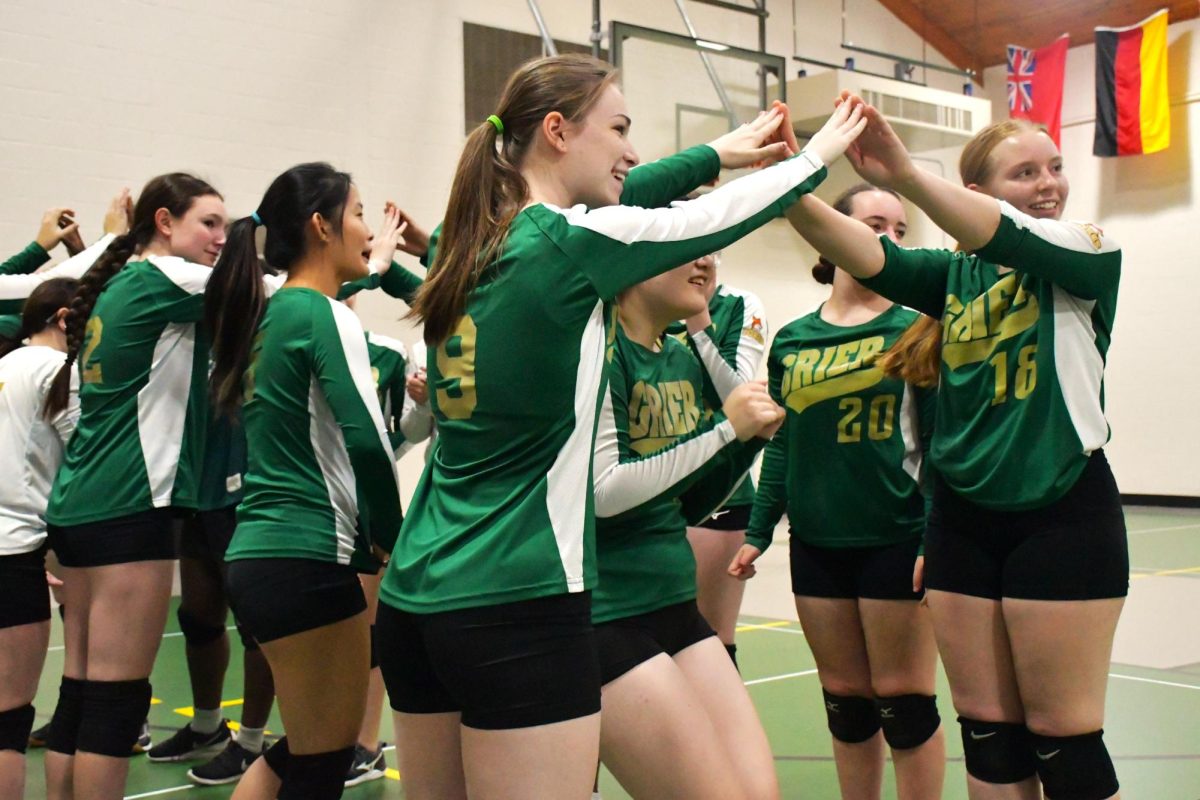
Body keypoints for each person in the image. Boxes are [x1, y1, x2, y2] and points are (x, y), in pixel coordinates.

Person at [373, 52, 866, 800]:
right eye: (622, 128)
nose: (634, 151)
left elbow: (626, 189)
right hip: (518, 595)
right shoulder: (565, 245)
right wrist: (821, 151)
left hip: (415, 599)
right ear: (559, 132)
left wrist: (718, 153)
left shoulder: (466, 246)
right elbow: (713, 215)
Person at [785, 101, 1126, 800]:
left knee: (1064, 741)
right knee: (989, 737)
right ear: (977, 192)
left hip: (1061, 510)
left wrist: (905, 173)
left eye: (1055, 167)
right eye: (1025, 172)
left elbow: (1012, 236)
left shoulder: (1083, 252)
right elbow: (867, 255)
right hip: (963, 522)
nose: (1050, 184)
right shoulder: (952, 279)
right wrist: (790, 180)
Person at [730, 183, 945, 799]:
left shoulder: (918, 329)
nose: (890, 240)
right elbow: (785, 442)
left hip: (896, 540)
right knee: (846, 705)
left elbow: (935, 451)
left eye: (903, 231)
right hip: (817, 543)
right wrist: (758, 530)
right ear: (832, 231)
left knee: (905, 708)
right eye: (877, 223)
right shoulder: (794, 339)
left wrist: (935, 536)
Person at [205, 162, 405, 800]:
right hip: (305, 555)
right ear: (321, 226)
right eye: (357, 214)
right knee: (323, 760)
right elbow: (369, 443)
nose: (368, 231)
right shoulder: (322, 314)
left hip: (264, 555)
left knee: (304, 750)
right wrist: (391, 542)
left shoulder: (271, 314)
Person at [40, 173, 229, 800]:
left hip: (81, 504)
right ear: (164, 222)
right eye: (209, 223)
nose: (220, 238)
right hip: (128, 505)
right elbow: (274, 290)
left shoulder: (122, 283)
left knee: (82, 691)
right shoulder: (165, 278)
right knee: (116, 702)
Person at [590, 256, 783, 800]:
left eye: (712, 246)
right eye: (688, 245)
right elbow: (604, 495)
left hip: (674, 602)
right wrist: (727, 435)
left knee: (759, 792)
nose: (707, 259)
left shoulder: (675, 354)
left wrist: (750, 441)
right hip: (606, 612)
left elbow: (690, 502)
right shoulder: (599, 352)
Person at [0, 278, 79, 800]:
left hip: (15, 546)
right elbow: (88, 459)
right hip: (14, 552)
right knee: (8, 721)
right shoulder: (55, 370)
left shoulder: (4, 365)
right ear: (66, 319)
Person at [675, 250, 768, 668]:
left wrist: (699, 321)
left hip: (719, 493)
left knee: (709, 639)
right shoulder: (635, 299)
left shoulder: (739, 305)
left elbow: (740, 400)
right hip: (641, 496)